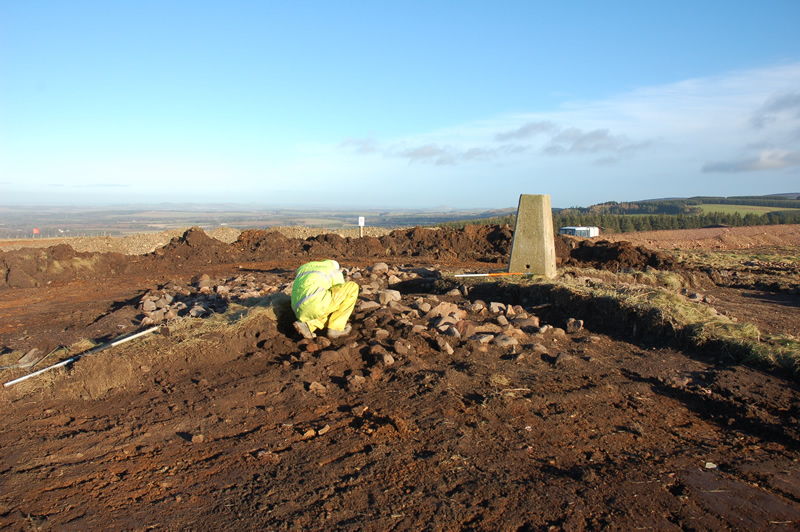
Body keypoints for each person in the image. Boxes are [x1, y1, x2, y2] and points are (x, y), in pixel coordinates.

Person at [291, 259, 359, 340]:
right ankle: (336, 329)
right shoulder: (332, 270)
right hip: (316, 304)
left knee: (324, 304)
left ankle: (308, 325)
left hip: (297, 309)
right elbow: (342, 293)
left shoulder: (303, 269)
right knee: (352, 288)